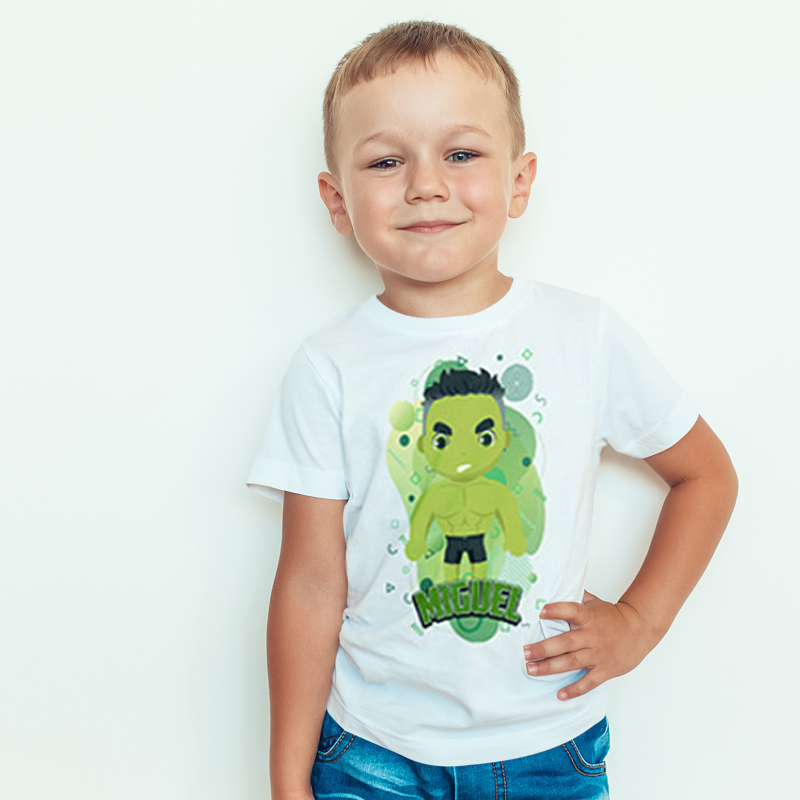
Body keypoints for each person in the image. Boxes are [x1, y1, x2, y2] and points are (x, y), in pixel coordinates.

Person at [246, 19, 738, 800]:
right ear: (338, 200)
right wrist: (285, 781)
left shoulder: (583, 335)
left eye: (461, 153)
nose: (426, 184)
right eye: (386, 161)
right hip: (371, 752)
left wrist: (642, 621)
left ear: (519, 181)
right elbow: (309, 585)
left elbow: (707, 475)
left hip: (550, 748)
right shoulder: (327, 366)